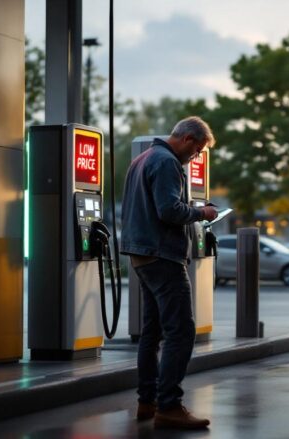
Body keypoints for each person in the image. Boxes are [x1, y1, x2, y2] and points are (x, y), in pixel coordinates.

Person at [121, 116, 218, 430]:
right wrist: (201, 212)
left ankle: (146, 401)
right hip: (163, 255)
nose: (195, 157)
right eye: (197, 150)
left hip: (142, 254)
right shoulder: (166, 163)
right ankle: (169, 405)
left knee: (152, 333)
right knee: (181, 331)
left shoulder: (141, 159)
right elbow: (169, 210)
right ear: (188, 139)